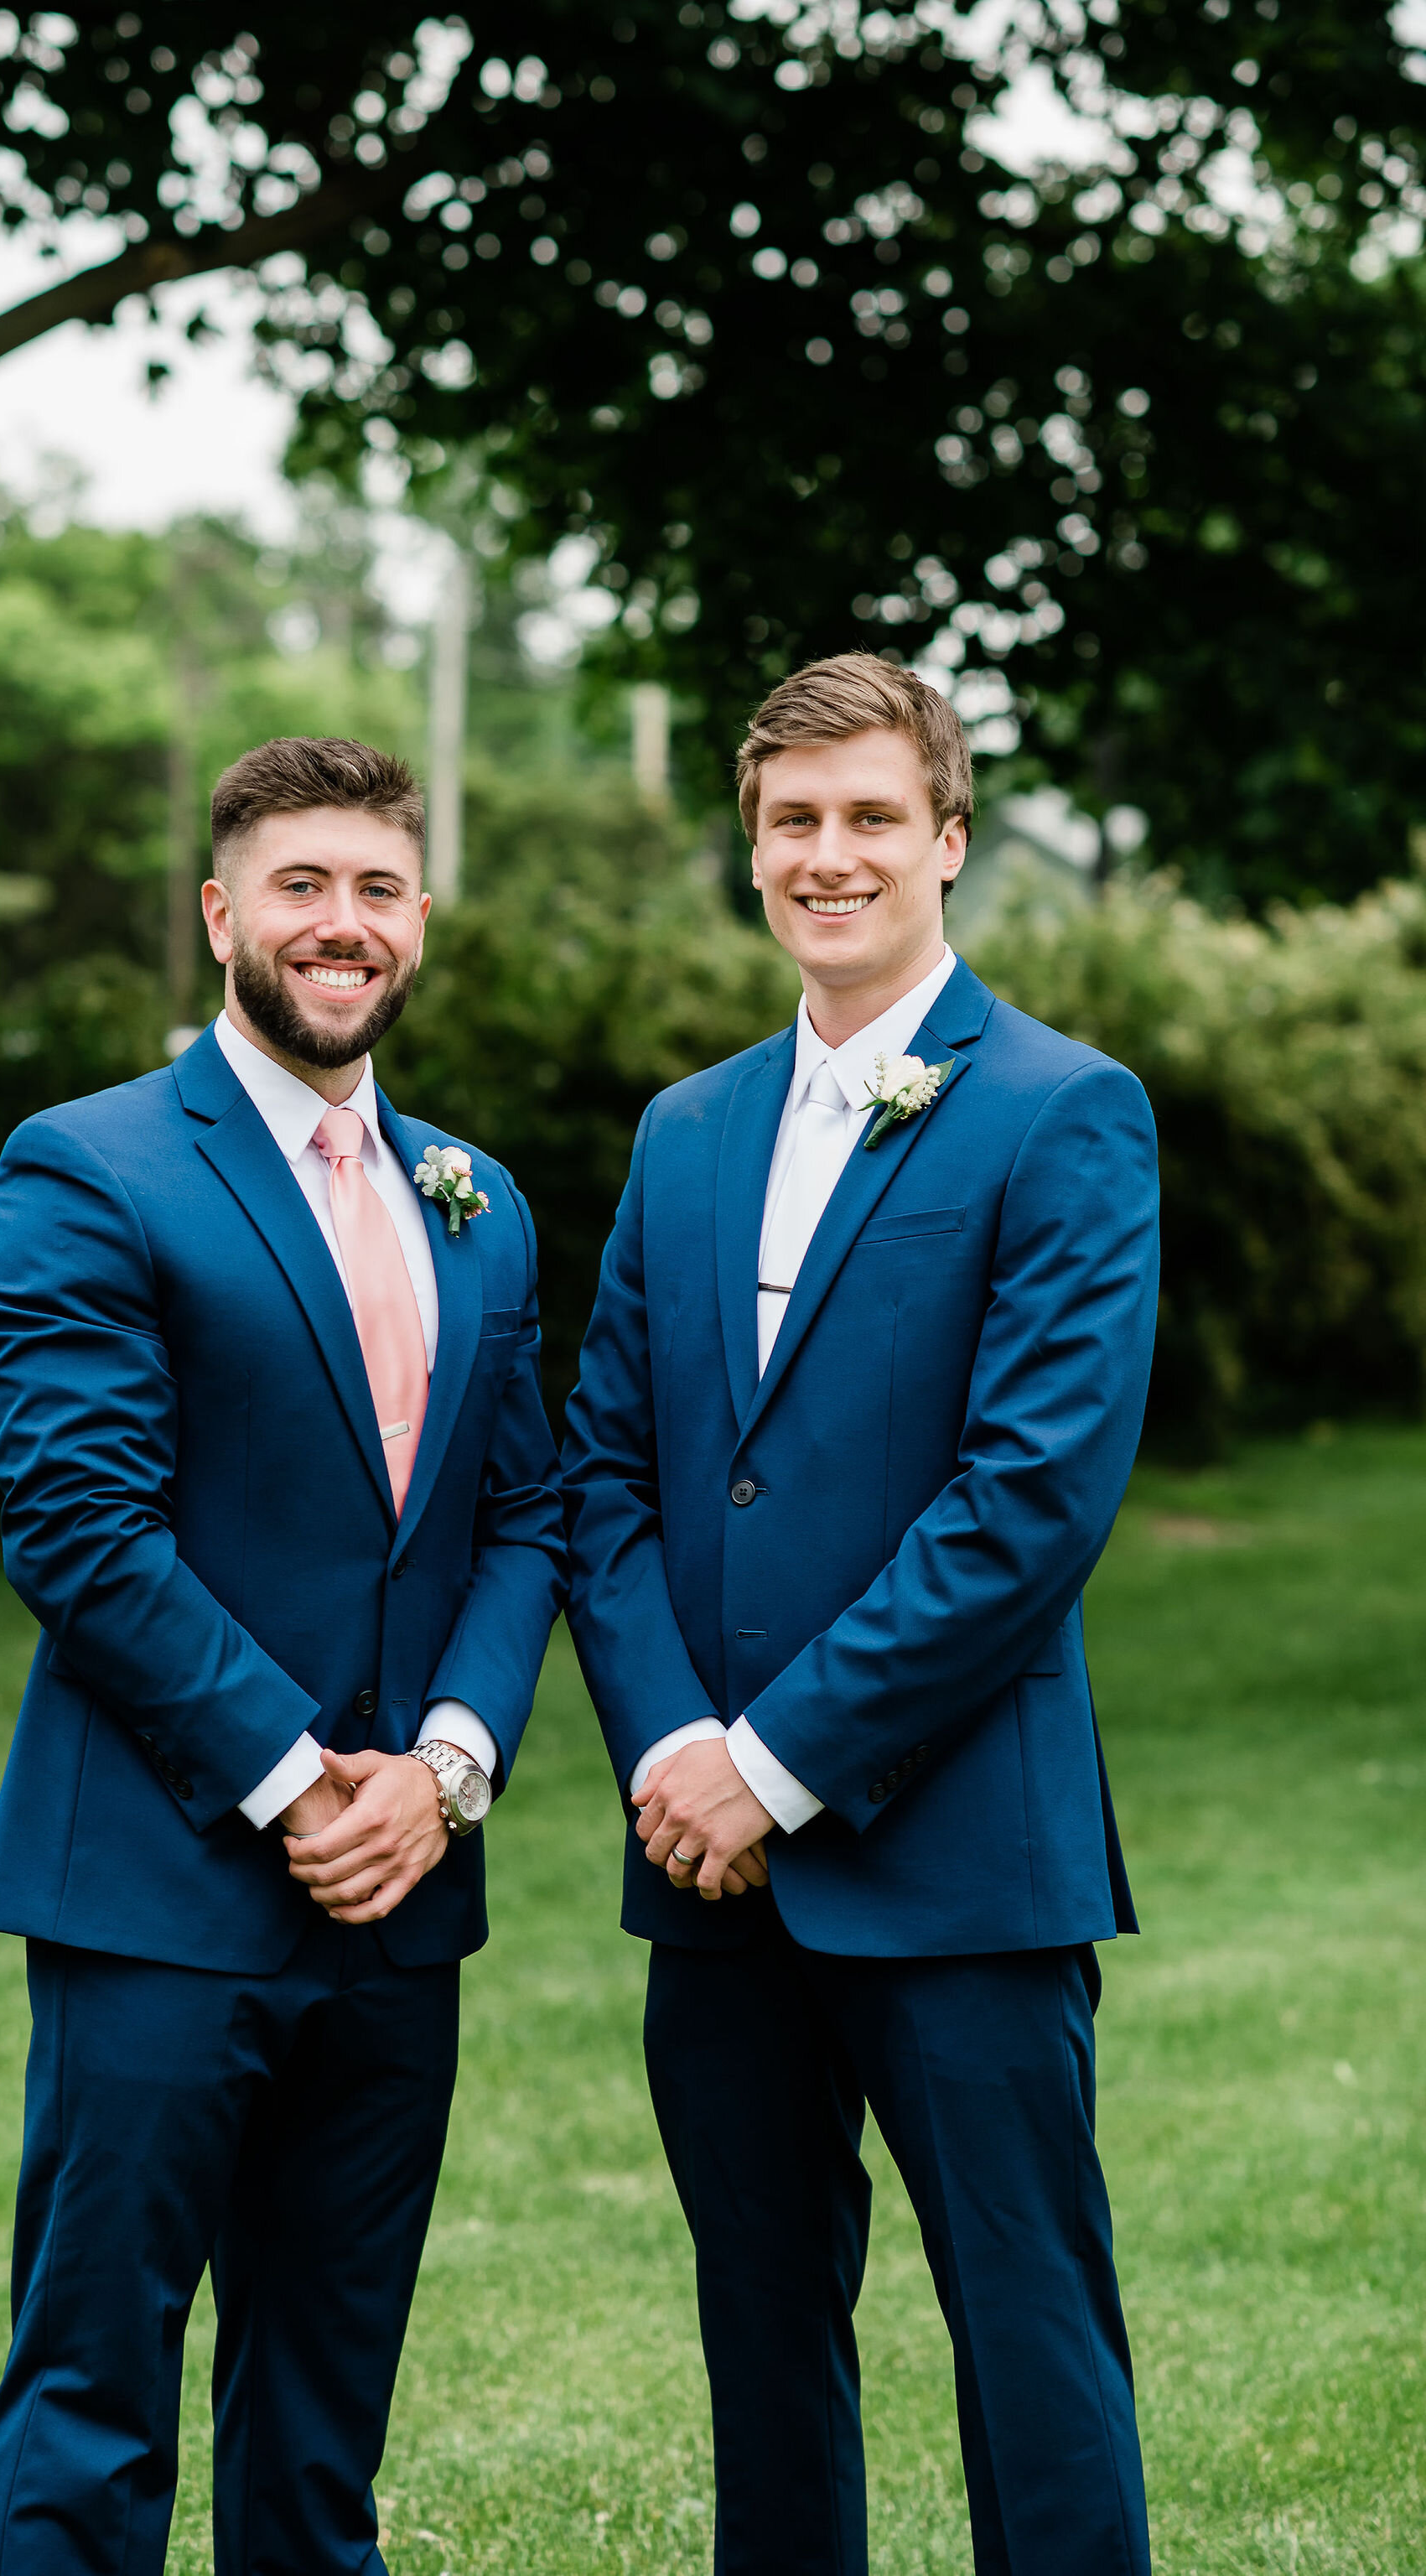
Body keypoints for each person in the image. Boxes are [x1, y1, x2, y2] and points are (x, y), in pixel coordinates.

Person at [563, 653, 1159, 2576]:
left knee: (1030, 2342)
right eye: (794, 823)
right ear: (750, 853)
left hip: (956, 1852)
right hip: (710, 1875)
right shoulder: (683, 1133)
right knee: (761, 2344)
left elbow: (1030, 1502)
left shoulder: (1065, 1113)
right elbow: (604, 1478)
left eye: (871, 819)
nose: (831, 857)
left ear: (948, 841)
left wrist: (780, 1762)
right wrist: (673, 1753)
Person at [0, 735, 565, 2576]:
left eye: (377, 887)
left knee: (324, 2425)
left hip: (401, 1913)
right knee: (89, 2406)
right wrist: (305, 1786)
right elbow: (80, 1531)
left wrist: (446, 1777)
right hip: (163, 1887)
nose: (342, 921)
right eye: (301, 884)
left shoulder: (477, 1193)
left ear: (419, 923)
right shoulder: (88, 1168)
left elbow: (524, 1516)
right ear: (221, 913)